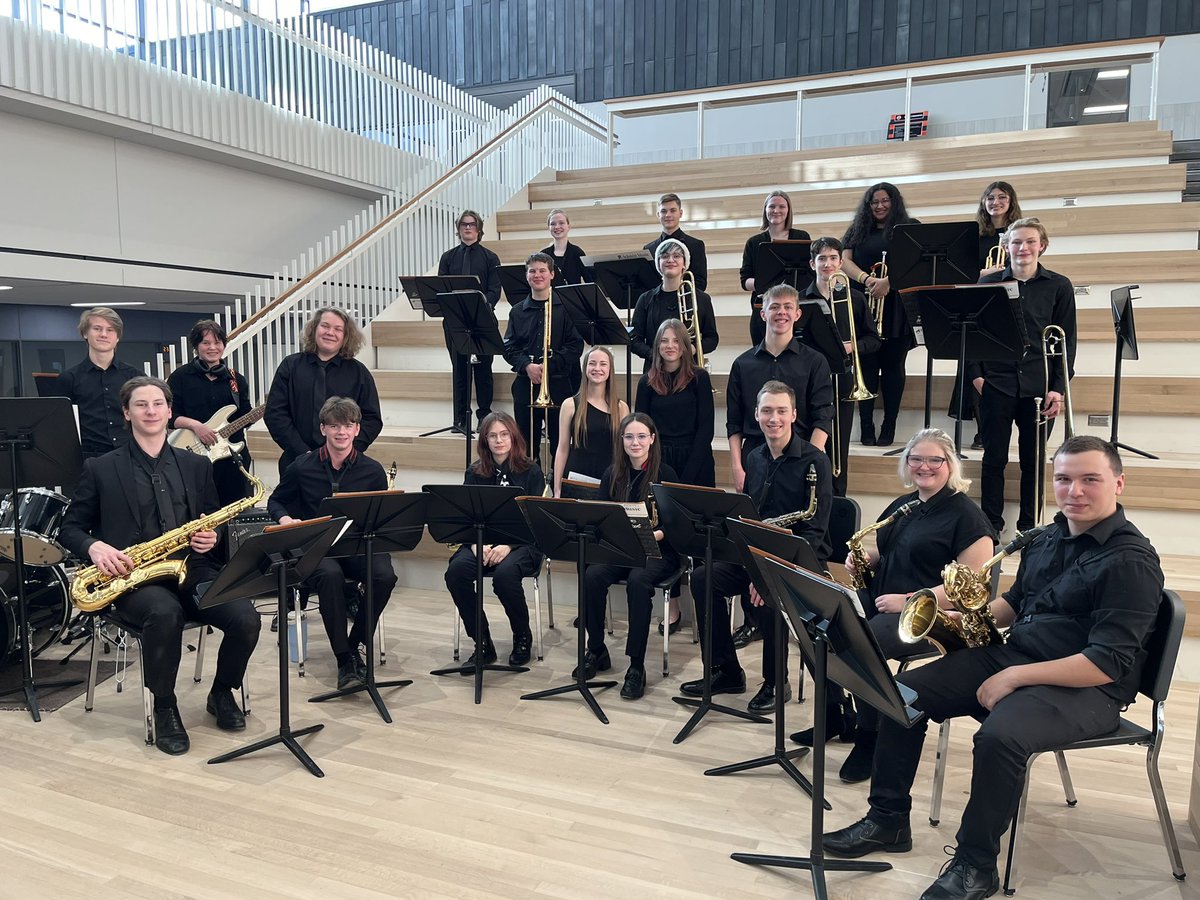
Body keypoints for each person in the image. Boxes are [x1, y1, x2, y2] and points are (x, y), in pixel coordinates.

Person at [822, 436, 1163, 900]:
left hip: (1089, 687)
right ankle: (887, 820)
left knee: (1000, 737)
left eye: (1090, 480)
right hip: (1019, 656)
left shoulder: (1131, 562)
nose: (1074, 491)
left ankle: (975, 866)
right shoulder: (1047, 536)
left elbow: (1106, 663)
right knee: (901, 695)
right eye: (1064, 479)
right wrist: (961, 619)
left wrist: (1015, 675)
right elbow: (1015, 603)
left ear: (1118, 483)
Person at [58, 376, 260, 756]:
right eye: (141, 404)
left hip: (192, 568)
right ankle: (165, 705)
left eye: (157, 404)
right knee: (164, 614)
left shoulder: (196, 465)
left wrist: (211, 536)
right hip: (132, 577)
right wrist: (95, 546)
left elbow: (212, 517)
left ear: (170, 411)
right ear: (126, 413)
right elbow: (70, 527)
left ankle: (222, 692)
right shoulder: (101, 468)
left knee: (246, 617)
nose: (150, 411)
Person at [803, 428, 994, 785]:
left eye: (934, 459)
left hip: (928, 617)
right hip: (881, 599)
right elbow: (891, 553)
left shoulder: (968, 517)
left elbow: (968, 590)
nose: (924, 466)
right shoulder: (904, 506)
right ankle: (834, 714)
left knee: (860, 644)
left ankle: (870, 735)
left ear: (949, 464)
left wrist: (907, 600)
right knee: (813, 626)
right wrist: (864, 560)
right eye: (916, 458)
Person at [683, 381, 832, 711]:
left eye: (781, 411)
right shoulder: (755, 457)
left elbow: (815, 532)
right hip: (757, 554)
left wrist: (766, 571)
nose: (773, 418)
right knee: (703, 578)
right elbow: (752, 518)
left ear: (794, 414)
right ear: (756, 414)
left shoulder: (815, 462)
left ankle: (777, 683)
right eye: (767, 411)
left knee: (766, 595)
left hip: (798, 560)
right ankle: (726, 671)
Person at [726, 284, 834, 646]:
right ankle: (753, 621)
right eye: (775, 307)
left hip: (799, 464)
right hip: (756, 463)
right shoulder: (743, 363)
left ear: (798, 313)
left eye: (789, 306)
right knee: (752, 534)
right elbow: (734, 421)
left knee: (785, 541)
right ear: (763, 313)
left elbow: (822, 416)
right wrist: (738, 466)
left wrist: (806, 462)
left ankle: (778, 648)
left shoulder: (814, 360)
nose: (782, 312)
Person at [268, 397, 396, 690]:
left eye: (348, 426)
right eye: (335, 426)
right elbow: (276, 500)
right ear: (323, 428)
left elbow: (380, 515)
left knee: (384, 575)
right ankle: (343, 659)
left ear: (356, 429)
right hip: (317, 547)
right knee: (329, 575)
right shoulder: (302, 466)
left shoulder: (372, 470)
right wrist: (285, 519)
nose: (341, 432)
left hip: (357, 545)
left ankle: (355, 644)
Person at [972, 217, 1077, 535]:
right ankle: (990, 525)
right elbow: (973, 335)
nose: (1023, 247)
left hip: (1039, 387)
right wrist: (977, 377)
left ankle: (1028, 526)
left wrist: (1058, 389)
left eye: (1030, 241)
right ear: (1006, 247)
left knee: (1033, 462)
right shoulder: (988, 284)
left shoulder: (1059, 286)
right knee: (994, 459)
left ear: (1042, 246)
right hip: (996, 383)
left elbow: (1067, 341)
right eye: (1016, 242)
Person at [580, 413, 680, 700]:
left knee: (638, 582)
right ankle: (596, 650)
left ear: (652, 439)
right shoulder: (612, 475)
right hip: (622, 549)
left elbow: (674, 526)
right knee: (593, 576)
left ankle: (636, 666)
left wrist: (649, 536)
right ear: (621, 441)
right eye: (628, 437)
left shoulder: (666, 475)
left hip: (659, 550)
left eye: (640, 436)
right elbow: (601, 518)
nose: (634, 442)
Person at [443, 411, 545, 668]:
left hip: (523, 543)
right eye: (492, 435)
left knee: (504, 576)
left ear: (513, 437)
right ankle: (483, 642)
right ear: (485, 441)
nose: (499, 440)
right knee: (455, 572)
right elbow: (466, 516)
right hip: (481, 541)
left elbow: (537, 521)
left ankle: (522, 636)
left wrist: (508, 546)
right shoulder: (475, 472)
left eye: (504, 434)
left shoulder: (531, 472)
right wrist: (478, 544)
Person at [840, 183, 920, 447]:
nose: (880, 206)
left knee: (894, 367)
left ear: (894, 201)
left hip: (897, 306)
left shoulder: (909, 226)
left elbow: (916, 260)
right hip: (866, 302)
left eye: (885, 201)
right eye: (874, 202)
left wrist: (889, 281)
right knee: (868, 367)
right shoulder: (857, 229)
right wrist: (867, 279)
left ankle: (889, 424)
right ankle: (866, 426)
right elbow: (844, 260)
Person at [802, 237, 881, 497]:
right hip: (810, 380)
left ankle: (837, 499)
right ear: (812, 263)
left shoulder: (855, 298)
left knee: (839, 446)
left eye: (833, 258)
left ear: (840, 262)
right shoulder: (802, 300)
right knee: (808, 441)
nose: (827, 264)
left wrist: (850, 347)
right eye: (822, 259)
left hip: (844, 378)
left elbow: (873, 340)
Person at [264, 307, 382, 477]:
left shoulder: (359, 372)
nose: (330, 332)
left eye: (338, 329)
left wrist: (345, 451)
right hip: (296, 461)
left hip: (344, 466)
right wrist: (303, 453)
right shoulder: (290, 366)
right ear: (314, 329)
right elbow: (275, 414)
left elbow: (372, 419)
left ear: (346, 336)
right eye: (325, 326)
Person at [951, 181, 1025, 448]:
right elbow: (960, 273)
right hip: (977, 302)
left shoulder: (1019, 233)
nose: (996, 202)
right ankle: (982, 431)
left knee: (998, 366)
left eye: (1002, 197)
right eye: (990, 198)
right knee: (976, 367)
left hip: (1007, 304)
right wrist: (981, 275)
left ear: (1011, 201)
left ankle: (995, 429)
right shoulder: (975, 236)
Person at [502, 253, 584, 468]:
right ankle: (531, 485)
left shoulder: (566, 307)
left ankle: (558, 487)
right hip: (525, 383)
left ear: (552, 274)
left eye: (542, 271)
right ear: (526, 276)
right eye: (532, 271)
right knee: (525, 442)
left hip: (558, 383)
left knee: (560, 441)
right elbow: (509, 347)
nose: (537, 275)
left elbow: (575, 346)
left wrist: (547, 367)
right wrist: (527, 366)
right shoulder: (517, 311)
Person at [167, 319, 255, 506]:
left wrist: (257, 414)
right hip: (194, 457)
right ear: (196, 347)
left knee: (237, 512)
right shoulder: (180, 377)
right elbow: (169, 416)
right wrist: (196, 426)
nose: (212, 347)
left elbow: (245, 416)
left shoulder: (236, 379)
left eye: (217, 342)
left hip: (232, 458)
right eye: (206, 343)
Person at [438, 209, 502, 433]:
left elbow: (495, 290)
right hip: (455, 322)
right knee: (460, 370)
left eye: (472, 224)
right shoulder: (448, 258)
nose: (467, 228)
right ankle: (460, 420)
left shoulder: (490, 257)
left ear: (479, 229)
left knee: (484, 370)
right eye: (464, 225)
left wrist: (482, 306)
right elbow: (441, 289)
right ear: (458, 229)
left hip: (481, 320)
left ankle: (484, 416)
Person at [50, 306, 141, 461]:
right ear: (85, 333)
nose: (103, 334)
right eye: (97, 328)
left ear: (117, 337)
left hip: (130, 456)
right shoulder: (68, 379)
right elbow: (59, 427)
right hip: (87, 459)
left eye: (110, 330)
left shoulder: (135, 377)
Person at [629, 238, 718, 371]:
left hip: (689, 370)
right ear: (658, 264)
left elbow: (711, 339)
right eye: (664, 256)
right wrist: (657, 355)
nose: (671, 260)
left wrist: (690, 349)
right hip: (655, 371)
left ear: (684, 263)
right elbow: (634, 340)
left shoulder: (701, 299)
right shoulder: (645, 299)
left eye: (676, 256)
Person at [740, 190, 812, 345]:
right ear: (765, 210)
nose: (776, 210)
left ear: (788, 210)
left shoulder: (802, 237)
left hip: (795, 311)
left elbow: (809, 275)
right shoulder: (753, 242)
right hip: (764, 308)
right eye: (771, 206)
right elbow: (745, 281)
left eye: (781, 206)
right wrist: (766, 284)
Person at [554, 345, 628, 495]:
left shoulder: (621, 408)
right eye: (592, 363)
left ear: (610, 370)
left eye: (603, 364)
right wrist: (557, 488)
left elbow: (623, 451)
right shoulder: (570, 405)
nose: (597, 368)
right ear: (585, 367)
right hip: (575, 480)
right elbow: (562, 449)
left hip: (608, 481)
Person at [643, 193, 708, 292]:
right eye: (663, 211)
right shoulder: (648, 249)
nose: (668, 215)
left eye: (673, 210)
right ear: (658, 215)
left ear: (680, 213)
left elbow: (700, 283)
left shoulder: (695, 245)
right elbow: (646, 284)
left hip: (685, 304)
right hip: (657, 305)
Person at [542, 208, 592, 286]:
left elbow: (590, 281)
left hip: (573, 297)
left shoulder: (577, 252)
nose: (557, 227)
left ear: (568, 226)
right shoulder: (543, 255)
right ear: (549, 228)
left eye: (561, 223)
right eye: (553, 224)